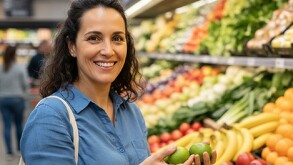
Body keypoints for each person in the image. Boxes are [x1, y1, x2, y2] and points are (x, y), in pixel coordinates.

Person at [20, 0, 216, 164]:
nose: (108, 50)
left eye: (117, 38)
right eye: (94, 38)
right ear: (72, 46)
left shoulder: (131, 112)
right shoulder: (51, 117)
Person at [0, 45, 29, 160]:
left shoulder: (1, 68)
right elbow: (25, 84)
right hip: (17, 99)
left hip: (3, 99)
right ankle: (19, 149)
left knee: (6, 125)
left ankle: (8, 152)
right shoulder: (20, 68)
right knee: (18, 125)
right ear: (14, 54)